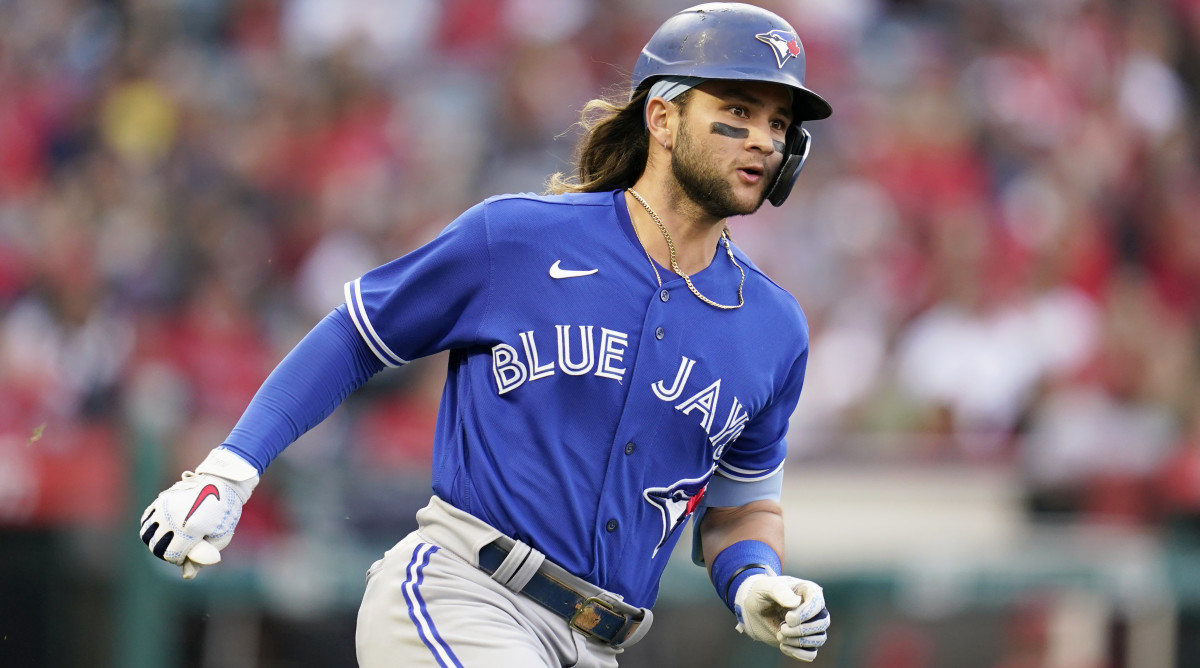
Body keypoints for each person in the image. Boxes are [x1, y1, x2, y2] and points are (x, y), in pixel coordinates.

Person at [138, 3, 834, 666]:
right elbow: (357, 336)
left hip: (598, 645)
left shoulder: (773, 329)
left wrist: (752, 581)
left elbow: (740, 507)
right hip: (464, 595)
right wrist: (229, 472)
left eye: (779, 123)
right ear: (661, 116)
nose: (764, 140)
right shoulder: (519, 238)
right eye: (737, 111)